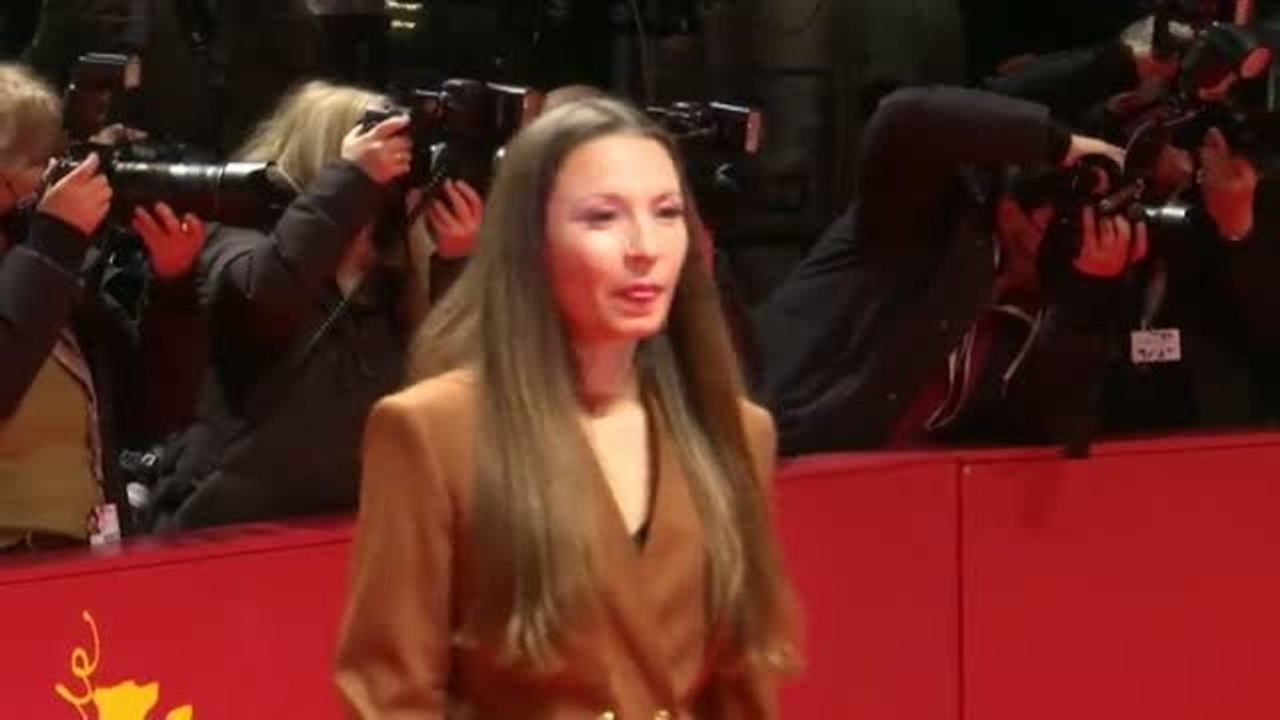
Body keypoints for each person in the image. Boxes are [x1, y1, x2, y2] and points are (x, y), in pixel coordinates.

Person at [335, 98, 798, 718]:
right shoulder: (430, 433)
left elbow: (741, 692)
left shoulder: (739, 432)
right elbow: (390, 702)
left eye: (666, 214)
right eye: (603, 217)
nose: (645, 247)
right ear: (530, 243)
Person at [149, 80, 480, 530]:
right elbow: (265, 300)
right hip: (226, 529)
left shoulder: (396, 270)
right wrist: (351, 181)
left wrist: (455, 261)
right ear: (332, 156)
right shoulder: (238, 236)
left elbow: (449, 378)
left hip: (351, 526)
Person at [0, 62, 203, 550]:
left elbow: (155, 410)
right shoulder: (45, 259)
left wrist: (172, 288)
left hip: (86, 559)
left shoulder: (44, 269)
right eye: (36, 160)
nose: (54, 177)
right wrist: (53, 244)